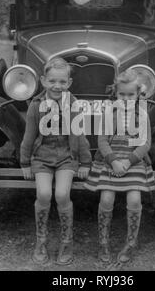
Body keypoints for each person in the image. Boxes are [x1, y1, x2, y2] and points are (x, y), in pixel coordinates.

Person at [20, 57, 92, 265]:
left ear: (69, 83)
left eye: (62, 82)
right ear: (43, 81)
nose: (56, 86)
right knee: (43, 194)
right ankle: (41, 241)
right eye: (52, 81)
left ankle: (66, 242)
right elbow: (29, 136)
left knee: (62, 194)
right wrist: (25, 163)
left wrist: (85, 163)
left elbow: (80, 136)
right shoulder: (36, 105)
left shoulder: (74, 105)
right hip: (42, 157)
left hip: (66, 158)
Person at [84, 69, 155, 264]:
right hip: (112, 161)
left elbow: (146, 143)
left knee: (134, 200)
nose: (126, 99)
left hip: (132, 162)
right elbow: (102, 141)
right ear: (115, 94)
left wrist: (128, 161)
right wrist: (114, 161)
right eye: (121, 94)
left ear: (138, 94)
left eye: (130, 95)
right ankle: (103, 242)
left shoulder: (142, 114)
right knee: (106, 198)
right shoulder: (110, 113)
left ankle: (130, 243)